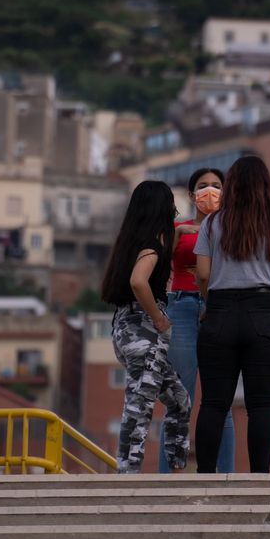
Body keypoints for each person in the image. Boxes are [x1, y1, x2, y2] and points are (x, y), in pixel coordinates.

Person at [194, 154, 270, 473]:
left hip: (220, 312)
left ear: (232, 187)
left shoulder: (212, 223)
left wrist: (209, 304)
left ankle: (205, 476)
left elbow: (201, 273)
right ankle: (259, 478)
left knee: (213, 402)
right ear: (266, 188)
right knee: (262, 404)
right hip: (263, 312)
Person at [101, 179, 190, 473]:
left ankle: (176, 465)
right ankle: (127, 474)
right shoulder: (151, 246)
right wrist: (159, 318)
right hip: (143, 330)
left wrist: (184, 232)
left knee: (178, 400)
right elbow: (139, 281)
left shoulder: (134, 241)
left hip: (125, 327)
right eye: (171, 206)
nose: (174, 211)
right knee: (140, 404)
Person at [157, 167, 236, 474]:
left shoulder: (233, 230)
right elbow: (155, 265)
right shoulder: (178, 228)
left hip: (220, 308)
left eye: (217, 186)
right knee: (179, 401)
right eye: (203, 186)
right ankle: (165, 478)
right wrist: (176, 235)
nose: (210, 191)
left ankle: (226, 475)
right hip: (183, 307)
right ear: (191, 195)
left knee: (222, 403)